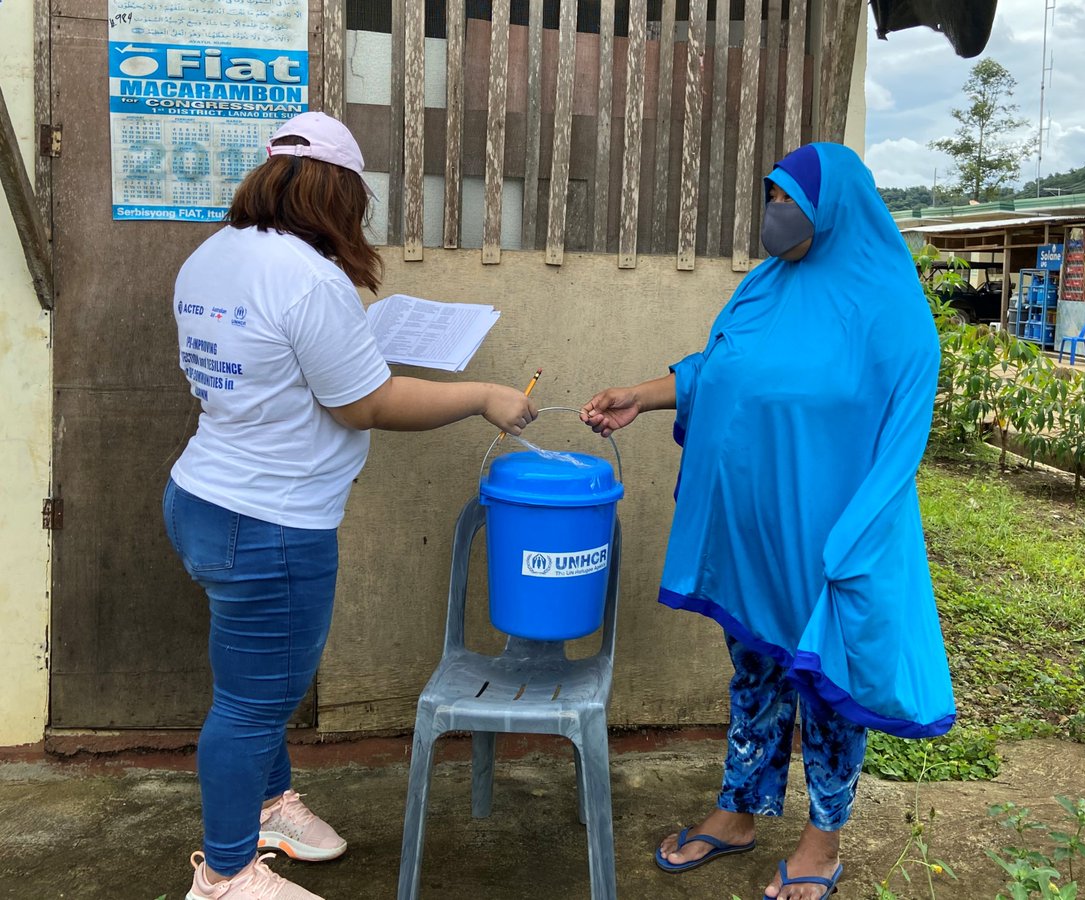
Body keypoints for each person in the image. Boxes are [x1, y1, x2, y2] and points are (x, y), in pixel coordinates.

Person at [165, 111, 537, 900]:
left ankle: (269, 806)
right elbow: (363, 404)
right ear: (335, 192)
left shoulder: (213, 255)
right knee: (250, 702)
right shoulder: (308, 277)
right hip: (271, 524)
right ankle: (227, 874)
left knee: (248, 683)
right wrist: (483, 397)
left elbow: (271, 366)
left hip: (202, 499)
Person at [581, 143, 955, 900]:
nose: (775, 212)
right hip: (751, 537)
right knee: (754, 670)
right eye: (772, 195)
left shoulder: (893, 312)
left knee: (824, 686)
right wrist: (644, 396)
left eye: (790, 198)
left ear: (836, 205)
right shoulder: (766, 286)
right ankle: (739, 812)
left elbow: (900, 448)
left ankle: (822, 843)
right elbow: (721, 371)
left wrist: (855, 549)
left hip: (828, 543)